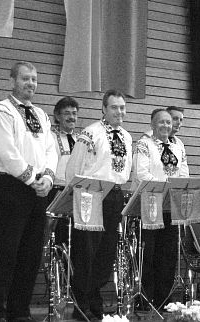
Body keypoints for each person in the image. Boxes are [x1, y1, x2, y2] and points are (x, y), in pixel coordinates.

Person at [0, 61, 57, 322]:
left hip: (38, 190)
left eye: (34, 79)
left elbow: (50, 150)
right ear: (12, 81)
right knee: (7, 252)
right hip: (11, 188)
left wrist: (48, 179)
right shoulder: (2, 111)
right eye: (25, 79)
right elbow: (7, 152)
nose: (30, 83)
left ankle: (20, 311)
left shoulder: (42, 115)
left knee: (31, 253)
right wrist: (33, 178)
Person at [66, 89, 132, 320]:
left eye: (122, 107)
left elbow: (125, 171)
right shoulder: (90, 133)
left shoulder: (126, 136)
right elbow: (74, 167)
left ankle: (94, 297)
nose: (119, 111)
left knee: (105, 253)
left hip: (114, 196)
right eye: (114, 107)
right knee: (86, 251)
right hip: (91, 195)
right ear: (103, 109)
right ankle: (82, 303)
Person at [131, 108, 189, 309]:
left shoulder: (178, 145)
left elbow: (183, 173)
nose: (166, 125)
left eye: (168, 122)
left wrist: (177, 188)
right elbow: (141, 174)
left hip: (171, 207)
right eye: (161, 122)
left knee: (168, 254)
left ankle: (163, 299)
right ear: (152, 124)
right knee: (149, 254)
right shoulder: (144, 144)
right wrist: (165, 187)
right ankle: (145, 299)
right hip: (150, 204)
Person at [48, 96, 80, 246]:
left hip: (77, 193)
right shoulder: (50, 137)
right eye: (67, 113)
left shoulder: (81, 139)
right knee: (57, 238)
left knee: (76, 239)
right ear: (57, 116)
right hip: (56, 192)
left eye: (74, 113)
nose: (71, 117)